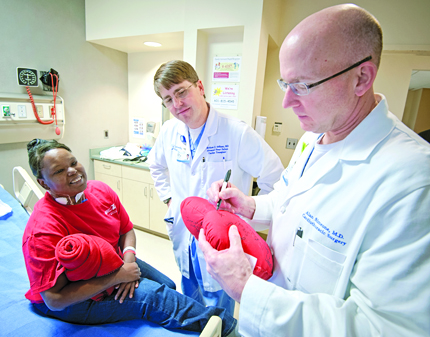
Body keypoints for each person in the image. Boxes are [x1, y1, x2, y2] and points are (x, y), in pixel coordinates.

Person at [199, 4, 430, 337]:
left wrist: (245, 288)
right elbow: (288, 201)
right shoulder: (313, 139)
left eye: (303, 85)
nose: (287, 102)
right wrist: (250, 206)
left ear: (361, 78)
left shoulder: (413, 181)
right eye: (284, 83)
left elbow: (385, 328)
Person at [22, 138, 238, 337]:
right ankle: (229, 329)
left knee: (167, 284)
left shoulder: (99, 191)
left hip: (112, 264)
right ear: (43, 183)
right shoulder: (43, 229)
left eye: (73, 162)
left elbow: (126, 230)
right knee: (155, 296)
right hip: (78, 300)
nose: (72, 171)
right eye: (59, 170)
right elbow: (54, 300)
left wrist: (127, 264)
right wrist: (117, 278)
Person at [148, 60, 284, 315]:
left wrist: (246, 222)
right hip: (184, 236)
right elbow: (155, 165)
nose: (176, 105)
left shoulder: (237, 133)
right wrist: (168, 198)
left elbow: (275, 180)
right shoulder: (169, 131)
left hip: (222, 240)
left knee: (218, 311)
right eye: (167, 99)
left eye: (181, 92)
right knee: (190, 304)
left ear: (200, 86)